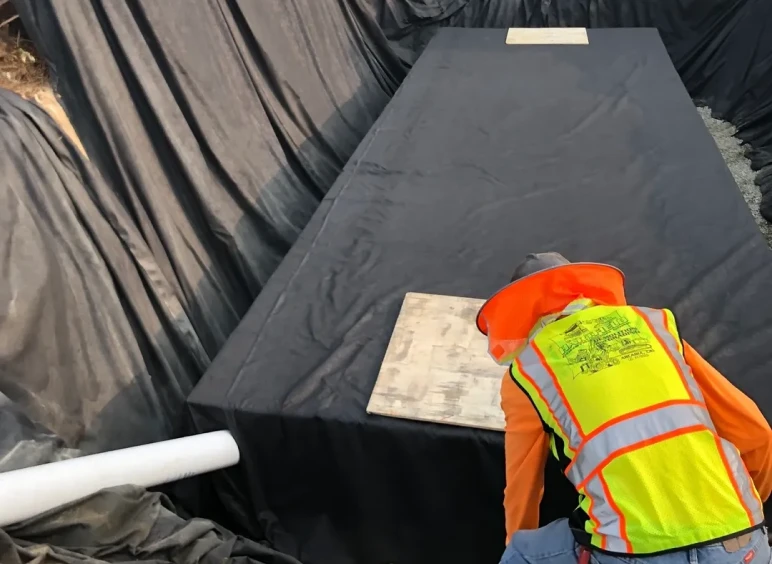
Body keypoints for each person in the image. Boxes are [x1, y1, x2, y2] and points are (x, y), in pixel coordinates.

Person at [475, 252, 772, 564]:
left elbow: (523, 486)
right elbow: (758, 433)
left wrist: (516, 539)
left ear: (520, 313)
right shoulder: (654, 328)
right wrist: (744, 511)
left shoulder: (528, 372)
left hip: (635, 551)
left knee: (522, 553)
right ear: (585, 291)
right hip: (744, 544)